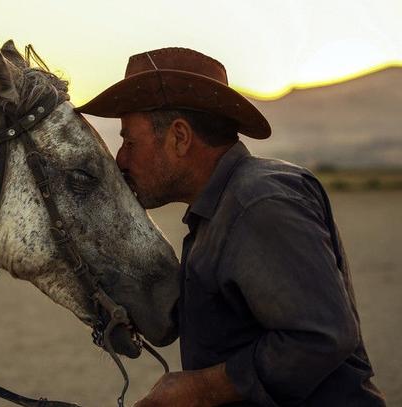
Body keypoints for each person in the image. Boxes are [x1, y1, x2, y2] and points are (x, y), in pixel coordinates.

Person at [76, 47, 386, 406]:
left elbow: (321, 336)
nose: (122, 158)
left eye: (130, 141)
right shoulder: (220, 208)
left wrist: (201, 390)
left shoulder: (258, 203)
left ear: (179, 137)